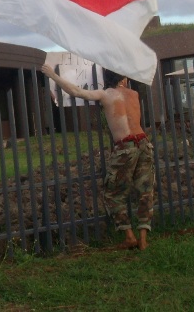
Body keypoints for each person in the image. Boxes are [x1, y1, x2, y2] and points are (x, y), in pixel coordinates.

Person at [41, 64, 154, 251]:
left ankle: (129, 236)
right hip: (144, 144)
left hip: (125, 147)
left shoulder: (105, 95)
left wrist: (52, 75)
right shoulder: (134, 94)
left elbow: (76, 91)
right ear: (123, 79)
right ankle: (143, 238)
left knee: (112, 194)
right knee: (145, 192)